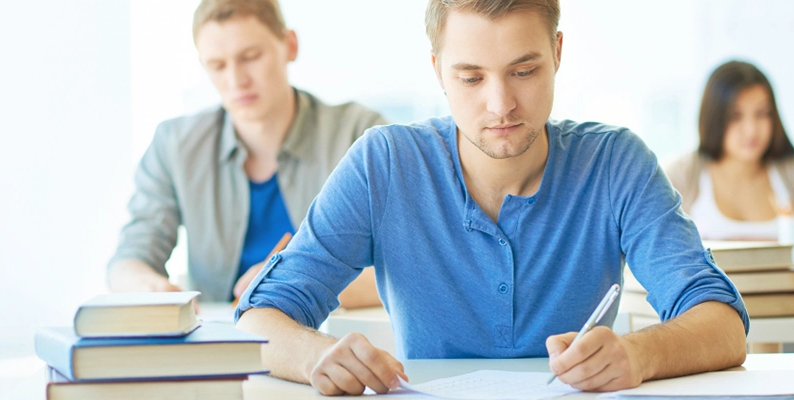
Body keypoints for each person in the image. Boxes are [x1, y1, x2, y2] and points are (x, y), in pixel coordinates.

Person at [234, 0, 749, 395]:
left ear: (558, 53)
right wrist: (314, 355)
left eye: (524, 71)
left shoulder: (615, 162)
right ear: (438, 70)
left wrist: (638, 355)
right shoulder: (385, 164)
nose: (500, 104)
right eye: (471, 77)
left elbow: (723, 323)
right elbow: (258, 318)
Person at [107, 0, 387, 308]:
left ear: (289, 45)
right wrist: (149, 288)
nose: (236, 80)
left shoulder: (360, 135)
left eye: (251, 57)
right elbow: (130, 259)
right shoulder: (174, 145)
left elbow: (410, 264)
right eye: (217, 65)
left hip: (329, 340)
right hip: (220, 343)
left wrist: (292, 281)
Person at [665, 61, 794, 241]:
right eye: (736, 116)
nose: (751, 130)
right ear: (714, 117)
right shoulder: (682, 174)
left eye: (762, 114)